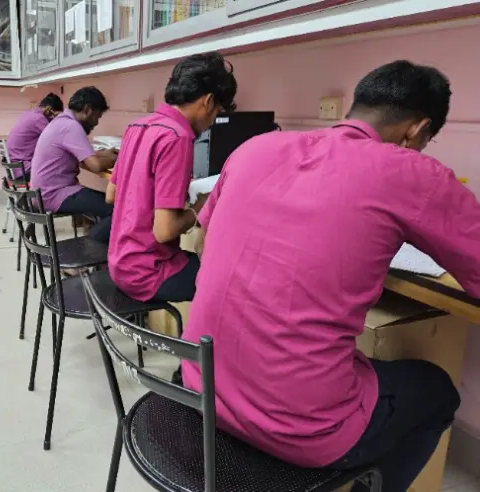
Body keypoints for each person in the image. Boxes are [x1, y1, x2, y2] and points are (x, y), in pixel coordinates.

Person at [182, 60, 480, 492]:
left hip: (201, 385)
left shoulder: (254, 149)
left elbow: (206, 245)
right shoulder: (409, 172)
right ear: (417, 129)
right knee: (436, 393)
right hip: (301, 428)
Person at [106, 52, 237, 303]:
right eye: (218, 111)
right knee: (234, 285)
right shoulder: (177, 137)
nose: (212, 122)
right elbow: (164, 231)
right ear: (208, 101)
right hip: (148, 273)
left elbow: (111, 195)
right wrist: (201, 206)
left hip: (120, 264)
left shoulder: (137, 127)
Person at [31, 86, 117, 245]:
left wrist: (108, 154)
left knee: (102, 204)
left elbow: (86, 155)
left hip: (43, 192)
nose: (96, 123)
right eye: (97, 117)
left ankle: (94, 245)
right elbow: (96, 166)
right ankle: (87, 250)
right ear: (87, 110)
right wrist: (121, 158)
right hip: (54, 194)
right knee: (117, 209)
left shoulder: (61, 122)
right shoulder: (72, 127)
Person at [6, 92, 64, 180]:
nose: (54, 118)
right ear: (49, 109)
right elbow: (57, 139)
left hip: (15, 168)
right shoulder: (39, 119)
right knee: (61, 170)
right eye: (55, 115)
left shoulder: (27, 114)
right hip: (24, 170)